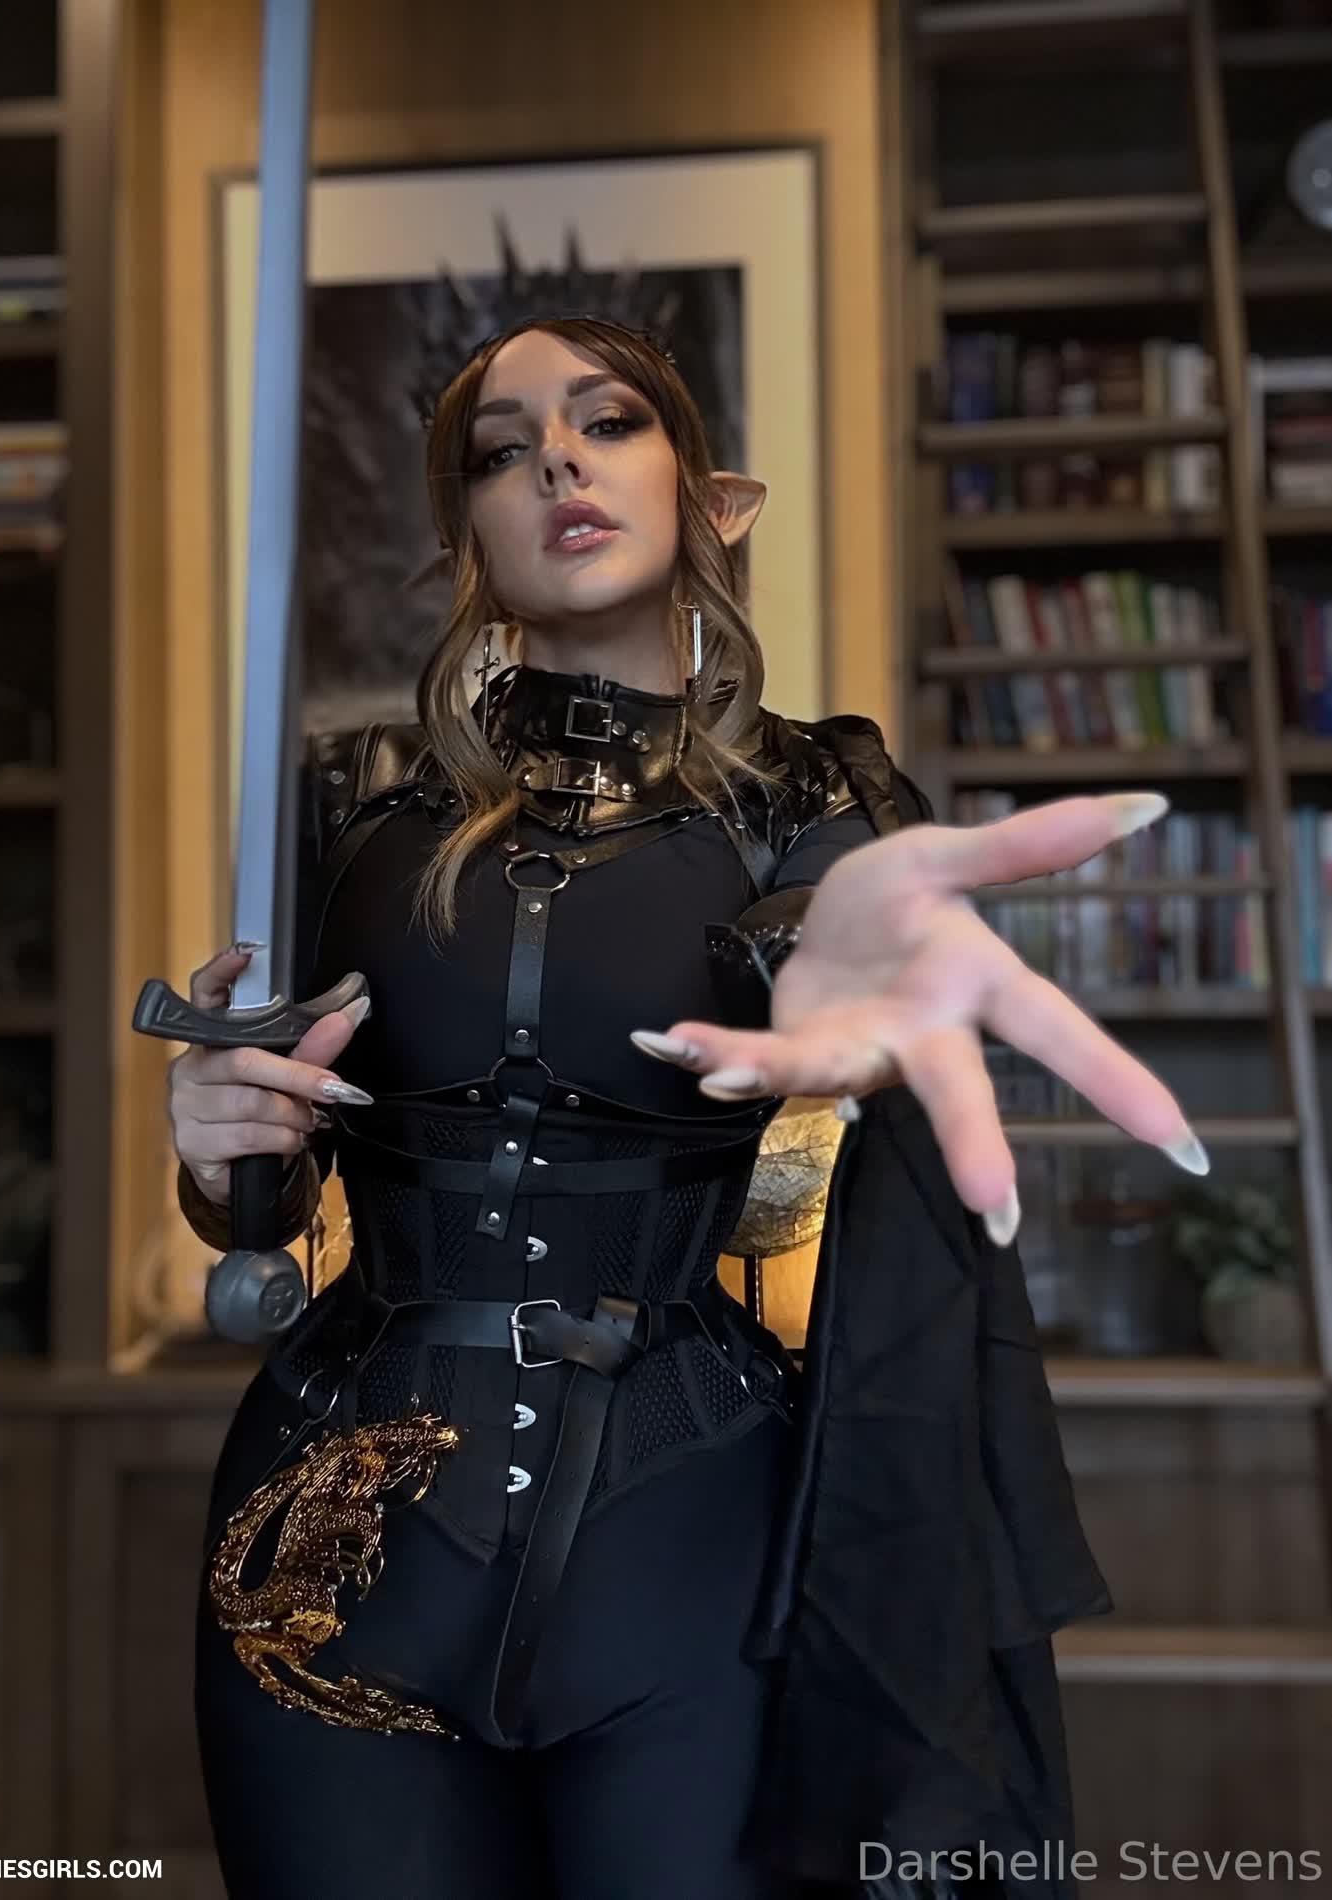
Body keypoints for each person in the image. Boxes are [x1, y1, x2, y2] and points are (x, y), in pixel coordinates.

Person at [168, 314, 1207, 1900]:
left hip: (695, 1540)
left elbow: (843, 1112)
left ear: (713, 497)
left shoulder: (823, 803)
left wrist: (864, 993)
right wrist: (212, 1146)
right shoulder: (346, 796)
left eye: (606, 423)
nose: (556, 462)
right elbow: (267, 1196)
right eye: (502, 450)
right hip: (334, 1541)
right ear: (466, 535)